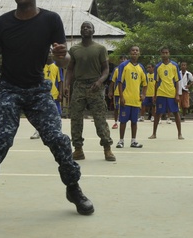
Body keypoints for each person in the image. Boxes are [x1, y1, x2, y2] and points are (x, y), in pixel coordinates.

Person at [0, 0, 94, 223]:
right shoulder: (1, 24)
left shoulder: (50, 20)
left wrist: (62, 55)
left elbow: (65, 61)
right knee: (2, 137)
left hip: (38, 91)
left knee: (57, 138)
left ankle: (73, 189)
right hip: (9, 90)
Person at [63, 20, 115, 162]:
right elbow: (70, 70)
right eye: (83, 27)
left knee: (100, 119)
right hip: (79, 86)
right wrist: (66, 85)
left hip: (95, 87)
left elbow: (106, 69)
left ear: (93, 31)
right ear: (80, 31)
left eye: (88, 27)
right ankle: (78, 149)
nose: (85, 29)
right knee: (76, 119)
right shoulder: (74, 50)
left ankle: (107, 148)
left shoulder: (100, 49)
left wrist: (100, 81)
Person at [115, 45, 147, 149]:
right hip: (126, 98)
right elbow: (119, 82)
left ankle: (133, 141)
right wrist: (121, 97)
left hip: (136, 100)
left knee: (134, 122)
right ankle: (121, 141)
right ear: (130, 52)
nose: (135, 52)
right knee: (123, 121)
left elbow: (145, 83)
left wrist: (143, 94)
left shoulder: (141, 67)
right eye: (133, 50)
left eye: (137, 50)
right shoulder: (124, 65)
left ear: (139, 53)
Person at [150, 47, 183, 140]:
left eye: (166, 52)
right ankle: (154, 133)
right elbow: (156, 82)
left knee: (176, 113)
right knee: (157, 113)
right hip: (161, 93)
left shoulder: (174, 65)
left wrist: (177, 94)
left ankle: (179, 133)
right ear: (161, 54)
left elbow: (177, 81)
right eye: (163, 53)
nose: (165, 54)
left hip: (171, 93)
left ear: (169, 53)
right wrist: (155, 95)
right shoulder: (158, 66)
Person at [32, 54, 63, 139]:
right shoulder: (41, 65)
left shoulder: (57, 66)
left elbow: (60, 81)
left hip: (54, 93)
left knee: (57, 113)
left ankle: (57, 131)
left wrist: (60, 93)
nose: (49, 55)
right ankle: (38, 131)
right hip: (42, 93)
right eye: (47, 53)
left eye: (50, 53)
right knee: (39, 113)